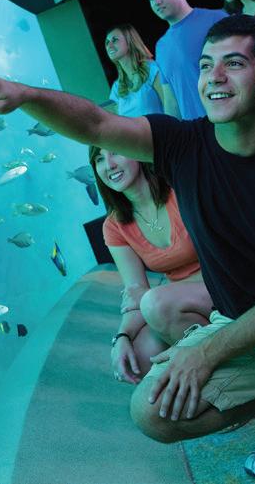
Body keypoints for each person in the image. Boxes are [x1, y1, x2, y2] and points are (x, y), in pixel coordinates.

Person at [0, 15, 255, 484]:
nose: (214, 78)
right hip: (236, 321)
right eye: (205, 65)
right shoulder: (183, 144)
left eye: (233, 64)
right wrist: (27, 96)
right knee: (150, 411)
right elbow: (96, 124)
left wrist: (203, 354)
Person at [90, 145, 212, 384]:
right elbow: (135, 292)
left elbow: (147, 298)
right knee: (137, 358)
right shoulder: (114, 226)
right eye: (99, 159)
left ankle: (227, 362)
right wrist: (122, 337)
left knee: (157, 304)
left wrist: (155, 296)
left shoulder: (179, 188)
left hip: (224, 285)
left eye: (115, 151)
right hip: (175, 301)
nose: (109, 165)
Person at [145, 0, 227, 121]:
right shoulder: (161, 46)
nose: (156, 1)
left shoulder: (217, 19)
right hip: (196, 131)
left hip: (231, 124)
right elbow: (171, 102)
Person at [104, 23, 178, 117]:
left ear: (129, 41)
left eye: (115, 40)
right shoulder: (117, 87)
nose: (109, 46)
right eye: (107, 42)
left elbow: (172, 109)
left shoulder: (152, 70)